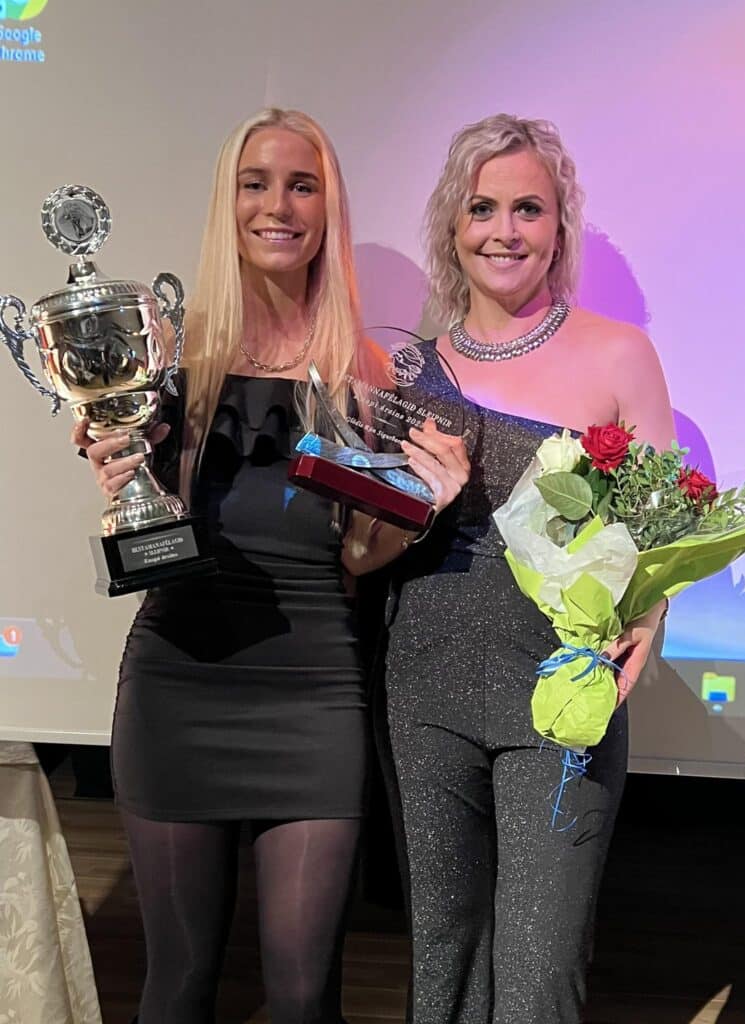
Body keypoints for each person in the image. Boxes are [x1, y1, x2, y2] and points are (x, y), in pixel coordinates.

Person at [71, 108, 463, 1024]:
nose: (277, 206)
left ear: (328, 206)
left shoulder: (366, 368)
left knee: (302, 997)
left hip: (315, 695)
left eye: (301, 185)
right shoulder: (168, 355)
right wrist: (116, 475)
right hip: (179, 682)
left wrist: (423, 509)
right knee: (178, 987)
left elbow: (360, 554)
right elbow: (137, 514)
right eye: (256, 184)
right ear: (229, 201)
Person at [358, 114, 675, 1023]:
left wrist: (647, 620)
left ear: (559, 226)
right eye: (482, 208)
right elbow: (362, 548)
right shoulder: (406, 369)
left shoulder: (619, 352)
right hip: (423, 681)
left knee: (539, 972)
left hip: (562, 683)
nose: (504, 230)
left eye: (528, 209)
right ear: (452, 226)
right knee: (444, 959)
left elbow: (662, 528)